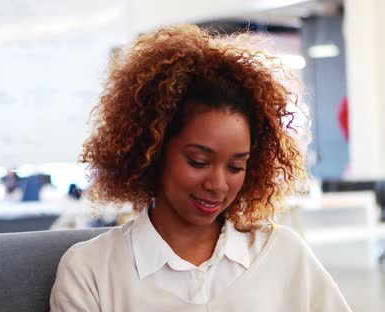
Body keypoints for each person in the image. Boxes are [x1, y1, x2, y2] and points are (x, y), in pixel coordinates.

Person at [50, 25, 350, 311]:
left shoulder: (282, 253)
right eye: (199, 162)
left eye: (235, 166)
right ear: (153, 151)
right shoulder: (91, 271)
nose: (218, 184)